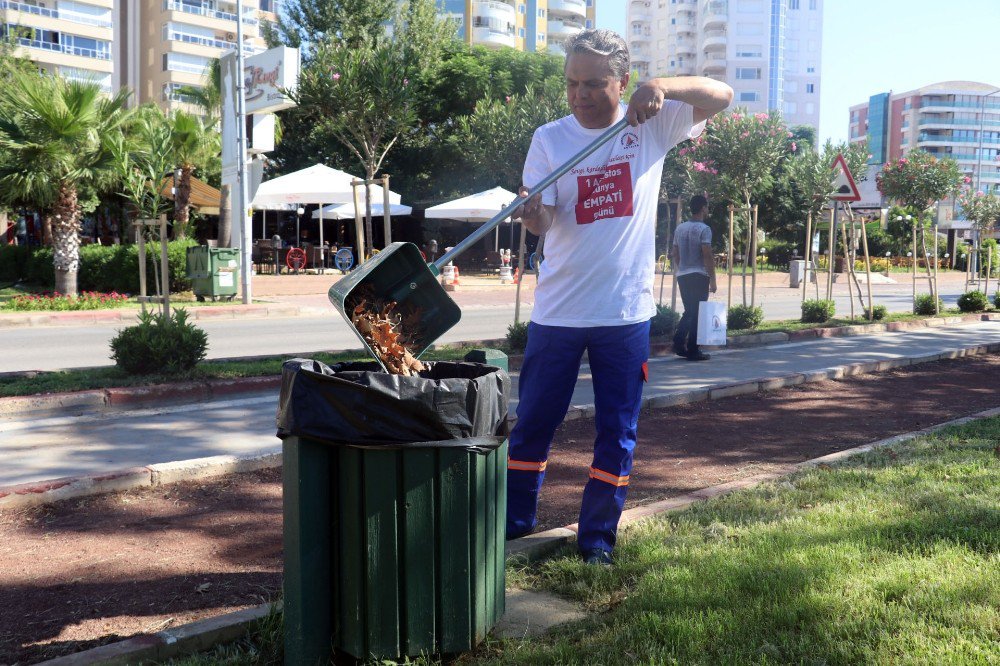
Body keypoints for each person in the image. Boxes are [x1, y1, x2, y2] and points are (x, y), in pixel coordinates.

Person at [507, 29, 733, 565]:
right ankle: (513, 524)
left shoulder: (650, 125)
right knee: (534, 423)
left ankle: (597, 540)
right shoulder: (549, 139)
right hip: (557, 313)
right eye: (571, 84)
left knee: (617, 431)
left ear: (622, 82)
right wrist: (532, 211)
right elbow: (541, 225)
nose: (579, 95)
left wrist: (662, 85)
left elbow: (721, 95)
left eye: (592, 83)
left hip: (625, 314)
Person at [671, 194, 718, 361]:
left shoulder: (680, 228)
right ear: (703, 208)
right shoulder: (704, 229)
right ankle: (693, 349)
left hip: (683, 274)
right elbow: (707, 255)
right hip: (699, 275)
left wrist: (682, 267)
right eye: (707, 206)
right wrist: (712, 278)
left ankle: (678, 342)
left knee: (689, 310)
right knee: (697, 313)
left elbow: (675, 253)